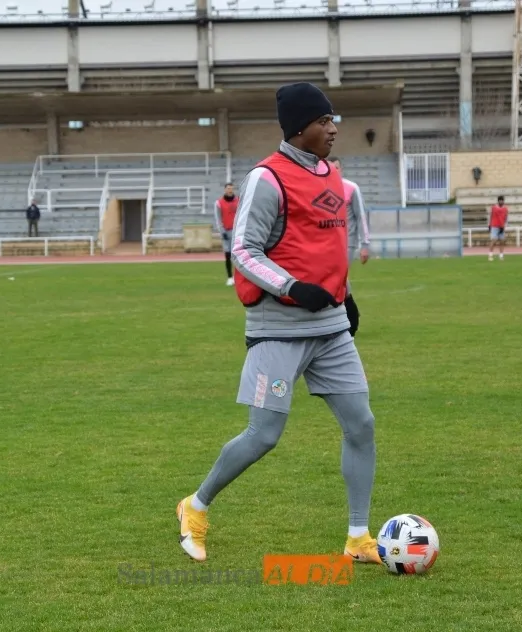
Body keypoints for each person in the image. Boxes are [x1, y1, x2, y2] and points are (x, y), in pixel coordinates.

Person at [176, 82, 380, 567]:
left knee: (362, 426)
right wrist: (290, 287)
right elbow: (244, 250)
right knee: (264, 435)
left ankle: (357, 538)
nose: (333, 129)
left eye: (334, 120)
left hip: (330, 328)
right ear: (298, 128)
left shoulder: (333, 174)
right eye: (324, 121)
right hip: (278, 327)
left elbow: (324, 247)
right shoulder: (265, 179)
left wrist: (345, 298)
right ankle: (195, 506)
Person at [330, 159, 370, 338]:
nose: (333, 170)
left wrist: (365, 244)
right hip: (326, 245)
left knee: (339, 280)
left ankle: (351, 321)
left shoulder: (351, 188)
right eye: (330, 167)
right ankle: (344, 320)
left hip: (347, 243)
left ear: (341, 168)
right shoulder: (317, 188)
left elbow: (360, 216)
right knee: (336, 281)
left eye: (336, 167)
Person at [214, 182, 239, 286]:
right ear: (225, 189)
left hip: (237, 231)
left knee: (238, 255)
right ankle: (229, 277)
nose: (230, 190)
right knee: (228, 255)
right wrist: (222, 231)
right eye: (228, 188)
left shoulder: (238, 201)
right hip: (226, 231)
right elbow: (218, 218)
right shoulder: (219, 203)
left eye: (231, 188)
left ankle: (239, 277)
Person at [488, 195, 509, 262]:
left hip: (501, 227)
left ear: (503, 201)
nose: (501, 202)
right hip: (494, 226)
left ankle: (501, 256)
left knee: (502, 241)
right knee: (493, 240)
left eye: (502, 200)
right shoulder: (494, 208)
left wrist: (504, 226)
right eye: (500, 200)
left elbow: (506, 218)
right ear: (498, 201)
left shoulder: (505, 208)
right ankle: (490, 255)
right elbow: (491, 216)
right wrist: (489, 225)